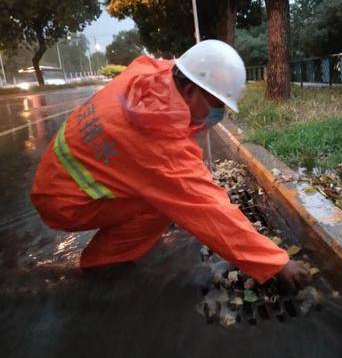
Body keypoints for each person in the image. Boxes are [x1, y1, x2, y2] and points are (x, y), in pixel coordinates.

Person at [30, 39, 309, 289]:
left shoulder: (150, 75)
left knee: (166, 194)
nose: (217, 114)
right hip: (65, 202)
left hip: (56, 174)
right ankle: (103, 266)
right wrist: (277, 263)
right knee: (164, 204)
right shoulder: (158, 141)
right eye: (215, 104)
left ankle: (112, 251)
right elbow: (208, 209)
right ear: (188, 90)